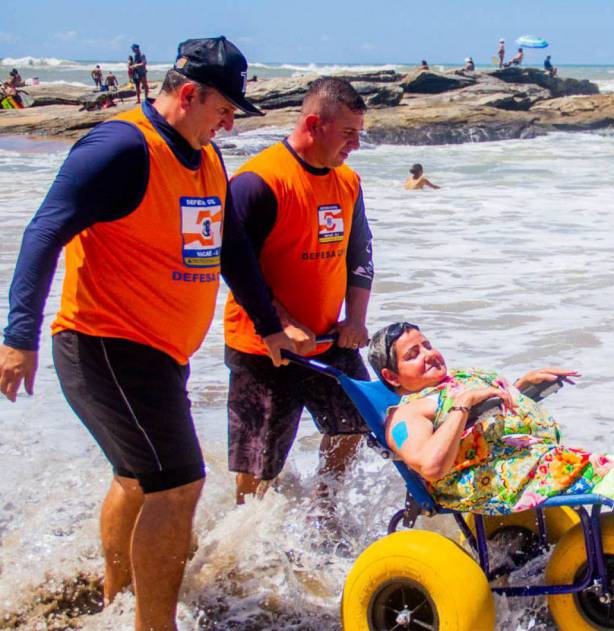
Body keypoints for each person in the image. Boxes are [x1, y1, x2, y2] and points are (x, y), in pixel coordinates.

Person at [0, 37, 263, 631]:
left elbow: (230, 250)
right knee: (180, 483)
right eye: (222, 110)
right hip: (105, 344)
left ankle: (116, 599)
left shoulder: (206, 158)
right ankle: (153, 624)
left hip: (159, 353)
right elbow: (43, 232)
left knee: (139, 478)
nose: (226, 125)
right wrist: (19, 337)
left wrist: (270, 325)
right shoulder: (121, 147)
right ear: (189, 93)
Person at [372, 322, 614, 563]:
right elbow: (431, 465)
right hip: (485, 483)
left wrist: (522, 388)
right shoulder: (407, 415)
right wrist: (461, 408)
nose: (429, 354)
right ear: (392, 377)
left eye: (427, 344)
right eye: (413, 354)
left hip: (524, 462)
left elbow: (489, 423)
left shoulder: (455, 383)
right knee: (600, 474)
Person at [221, 77, 375, 510]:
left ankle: (323, 512)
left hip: (329, 340)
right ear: (313, 124)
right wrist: (283, 323)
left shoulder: (348, 181)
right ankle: (242, 545)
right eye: (348, 134)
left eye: (359, 134)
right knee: (259, 467)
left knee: (355, 424)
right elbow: (236, 266)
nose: (355, 145)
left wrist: (356, 320)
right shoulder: (259, 181)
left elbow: (359, 253)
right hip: (263, 346)